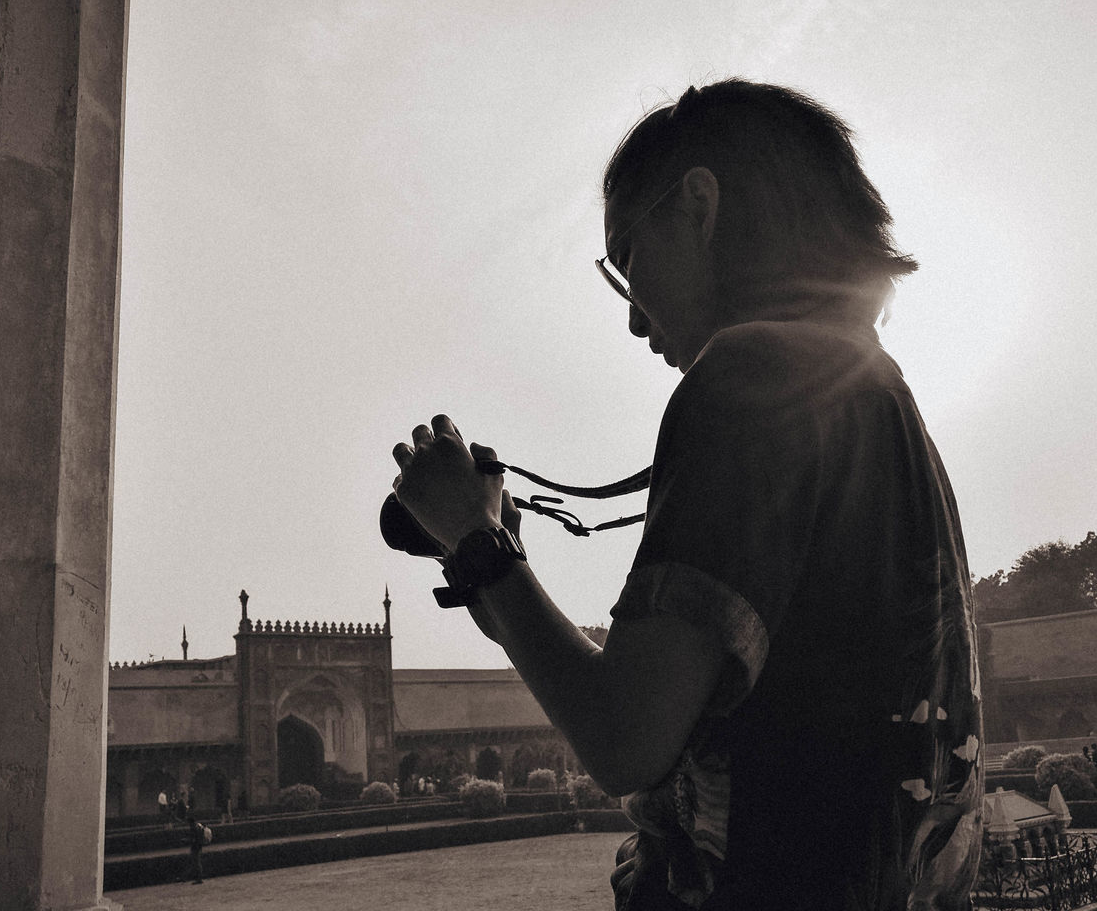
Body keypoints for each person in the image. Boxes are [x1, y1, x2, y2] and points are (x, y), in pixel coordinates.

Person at [391, 80, 982, 909]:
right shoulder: (874, 390)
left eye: (627, 260)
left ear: (699, 205)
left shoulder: (752, 374)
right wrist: (495, 579)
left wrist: (477, 545)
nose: (635, 319)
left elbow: (625, 737)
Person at [184, 814, 207, 885]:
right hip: (199, 846)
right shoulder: (198, 826)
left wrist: (186, 840)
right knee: (196, 862)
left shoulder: (193, 828)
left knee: (196, 863)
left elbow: (193, 839)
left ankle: (199, 878)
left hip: (195, 847)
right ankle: (196, 877)